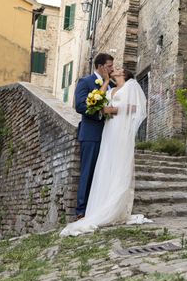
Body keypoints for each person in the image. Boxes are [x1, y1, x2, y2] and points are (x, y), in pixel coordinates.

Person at [62, 67, 149, 237]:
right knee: (106, 163)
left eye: (117, 69)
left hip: (120, 129)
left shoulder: (130, 86)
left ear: (123, 74)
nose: (113, 69)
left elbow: (137, 108)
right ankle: (102, 203)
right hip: (108, 129)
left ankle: (115, 206)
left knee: (118, 163)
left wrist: (113, 110)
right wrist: (106, 83)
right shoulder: (110, 88)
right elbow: (99, 101)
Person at [73, 53, 114, 220]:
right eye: (110, 66)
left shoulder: (111, 85)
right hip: (91, 133)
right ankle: (81, 211)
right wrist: (100, 111)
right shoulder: (86, 82)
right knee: (88, 171)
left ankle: (97, 207)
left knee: (102, 173)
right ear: (100, 66)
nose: (112, 69)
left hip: (108, 134)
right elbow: (80, 105)